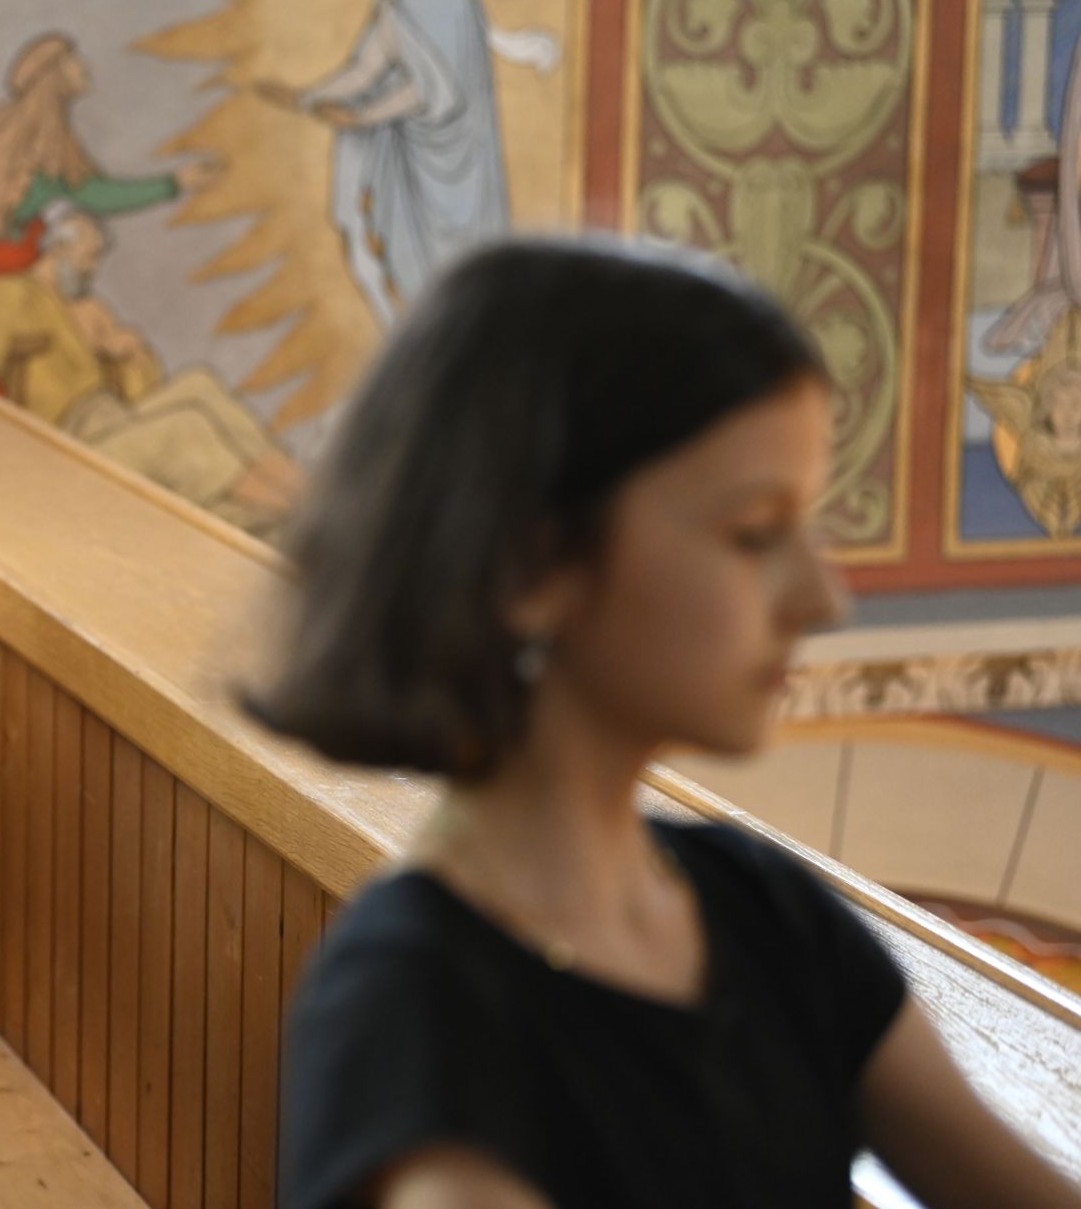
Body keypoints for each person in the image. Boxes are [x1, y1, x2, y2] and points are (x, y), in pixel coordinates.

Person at [248, 238, 1081, 1209]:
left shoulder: (761, 908)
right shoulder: (409, 1008)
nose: (823, 597)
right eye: (753, 533)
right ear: (531, 565)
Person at [256, 0, 527, 325]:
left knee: (464, 260)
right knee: (411, 255)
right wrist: (305, 97)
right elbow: (366, 69)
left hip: (457, 152)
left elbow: (436, 88)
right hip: (411, 154)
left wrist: (363, 117)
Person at [0, 203, 301, 531]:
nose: (92, 269)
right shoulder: (9, 295)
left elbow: (142, 391)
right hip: (69, 444)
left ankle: (304, 500)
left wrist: (126, 353)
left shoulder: (87, 308)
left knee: (200, 382)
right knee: (186, 426)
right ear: (59, 249)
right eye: (88, 257)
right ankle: (298, 517)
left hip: (114, 423)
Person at [0, 31, 211, 369]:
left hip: (14, 289)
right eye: (72, 59)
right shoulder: (7, 135)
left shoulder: (55, 139)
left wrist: (175, 182)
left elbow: (94, 193)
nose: (83, 66)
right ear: (52, 73)